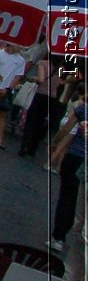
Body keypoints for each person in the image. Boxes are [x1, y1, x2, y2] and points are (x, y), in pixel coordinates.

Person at [50, 97, 87, 253]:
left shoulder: (83, 109)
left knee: (67, 196)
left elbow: (66, 129)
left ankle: (59, 237)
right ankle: (79, 238)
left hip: (75, 156)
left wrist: (55, 142)